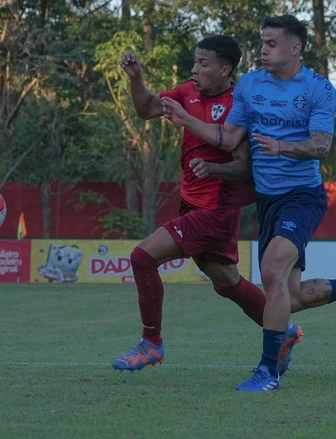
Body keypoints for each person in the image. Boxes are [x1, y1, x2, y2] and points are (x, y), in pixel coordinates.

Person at [161, 15, 336, 392]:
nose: (262, 49)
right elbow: (228, 139)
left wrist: (283, 147)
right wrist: (185, 120)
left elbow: (320, 146)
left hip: (303, 197)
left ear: (295, 48)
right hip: (268, 201)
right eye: (261, 41)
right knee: (289, 297)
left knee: (272, 272)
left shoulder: (318, 89)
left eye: (271, 43)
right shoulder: (248, 84)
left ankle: (267, 372)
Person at [111, 35, 302, 374]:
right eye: (195, 62)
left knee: (142, 257)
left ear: (224, 69)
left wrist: (212, 164)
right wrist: (136, 78)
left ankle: (151, 343)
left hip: (216, 209)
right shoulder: (187, 92)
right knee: (227, 282)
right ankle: (282, 332)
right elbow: (146, 109)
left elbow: (245, 165)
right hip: (191, 203)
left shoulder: (241, 103)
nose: (194, 69)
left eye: (203, 63)